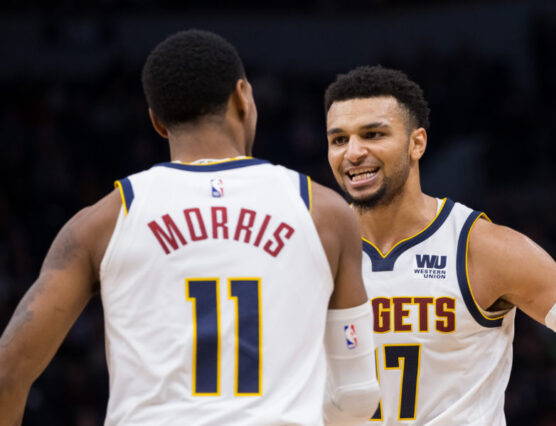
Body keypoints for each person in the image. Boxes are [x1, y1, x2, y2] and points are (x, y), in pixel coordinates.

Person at [0, 30, 380, 426]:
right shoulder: (325, 213)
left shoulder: (101, 223)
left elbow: (8, 372)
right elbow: (356, 396)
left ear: (157, 122)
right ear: (242, 96)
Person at [323, 65, 556, 425]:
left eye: (373, 134)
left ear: (417, 142)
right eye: (338, 139)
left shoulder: (485, 249)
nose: (352, 152)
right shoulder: (309, 252)